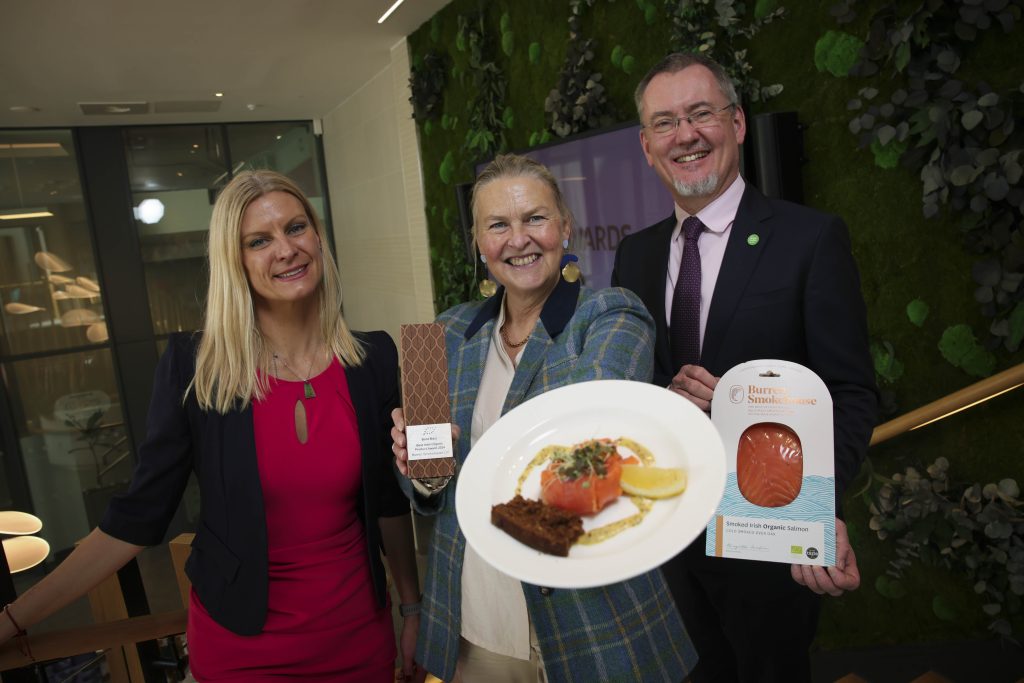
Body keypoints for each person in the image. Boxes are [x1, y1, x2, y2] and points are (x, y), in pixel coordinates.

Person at [0, 171, 421, 682]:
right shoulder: (194, 367)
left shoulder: (373, 356)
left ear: (317, 236)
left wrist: (411, 609)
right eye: (259, 241)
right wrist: (12, 619)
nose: (285, 249)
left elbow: (388, 504)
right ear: (235, 261)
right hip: (243, 650)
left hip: (359, 638)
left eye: (296, 228)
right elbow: (137, 518)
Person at [611, 53, 878, 682]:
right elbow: (628, 389)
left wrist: (812, 511)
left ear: (736, 122)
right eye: (666, 123)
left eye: (701, 114)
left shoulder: (810, 239)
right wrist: (661, 397)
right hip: (667, 543)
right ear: (647, 147)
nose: (686, 135)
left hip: (768, 541)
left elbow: (850, 392)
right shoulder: (635, 255)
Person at [390, 154, 696, 683]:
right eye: (498, 225)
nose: (519, 239)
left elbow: (583, 439)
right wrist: (424, 469)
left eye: (535, 218)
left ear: (565, 226)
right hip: (476, 626)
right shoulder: (443, 335)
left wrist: (469, 460)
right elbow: (427, 494)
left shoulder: (612, 316)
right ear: (479, 243)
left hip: (592, 624)